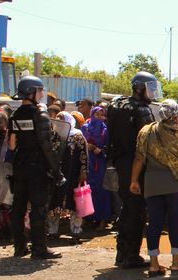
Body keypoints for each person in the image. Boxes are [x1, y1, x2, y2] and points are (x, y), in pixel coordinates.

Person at [131, 99, 178, 276]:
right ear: (176, 114)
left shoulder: (146, 131)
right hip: (175, 184)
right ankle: (176, 263)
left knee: (154, 223)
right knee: (176, 222)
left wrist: (134, 180)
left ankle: (153, 264)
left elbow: (139, 158)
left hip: (152, 183)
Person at [8, 76, 64, 259]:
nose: (41, 94)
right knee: (39, 209)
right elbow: (47, 147)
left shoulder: (15, 115)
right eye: (40, 91)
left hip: (19, 167)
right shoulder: (40, 115)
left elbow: (11, 145)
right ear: (32, 92)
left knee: (18, 208)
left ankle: (19, 247)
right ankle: (39, 248)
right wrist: (57, 172)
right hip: (38, 168)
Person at [107, 71, 159, 269]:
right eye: (149, 88)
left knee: (126, 207)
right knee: (136, 210)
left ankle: (122, 253)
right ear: (140, 88)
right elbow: (147, 141)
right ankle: (131, 255)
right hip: (136, 163)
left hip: (119, 162)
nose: (152, 92)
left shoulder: (117, 105)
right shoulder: (141, 110)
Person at [48, 112, 88, 243]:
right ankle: (52, 231)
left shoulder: (77, 136)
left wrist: (83, 172)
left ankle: (76, 231)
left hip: (73, 173)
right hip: (57, 174)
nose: (59, 121)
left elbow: (83, 155)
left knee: (74, 201)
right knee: (55, 201)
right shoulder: (53, 135)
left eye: (62, 119)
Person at [81, 106, 112, 231]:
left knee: (102, 190)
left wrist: (102, 150)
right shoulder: (85, 127)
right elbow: (81, 142)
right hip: (88, 161)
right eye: (97, 114)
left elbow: (109, 145)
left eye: (101, 115)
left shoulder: (105, 129)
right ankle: (87, 218)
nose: (99, 117)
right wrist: (86, 146)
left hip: (100, 162)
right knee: (87, 190)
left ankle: (103, 220)